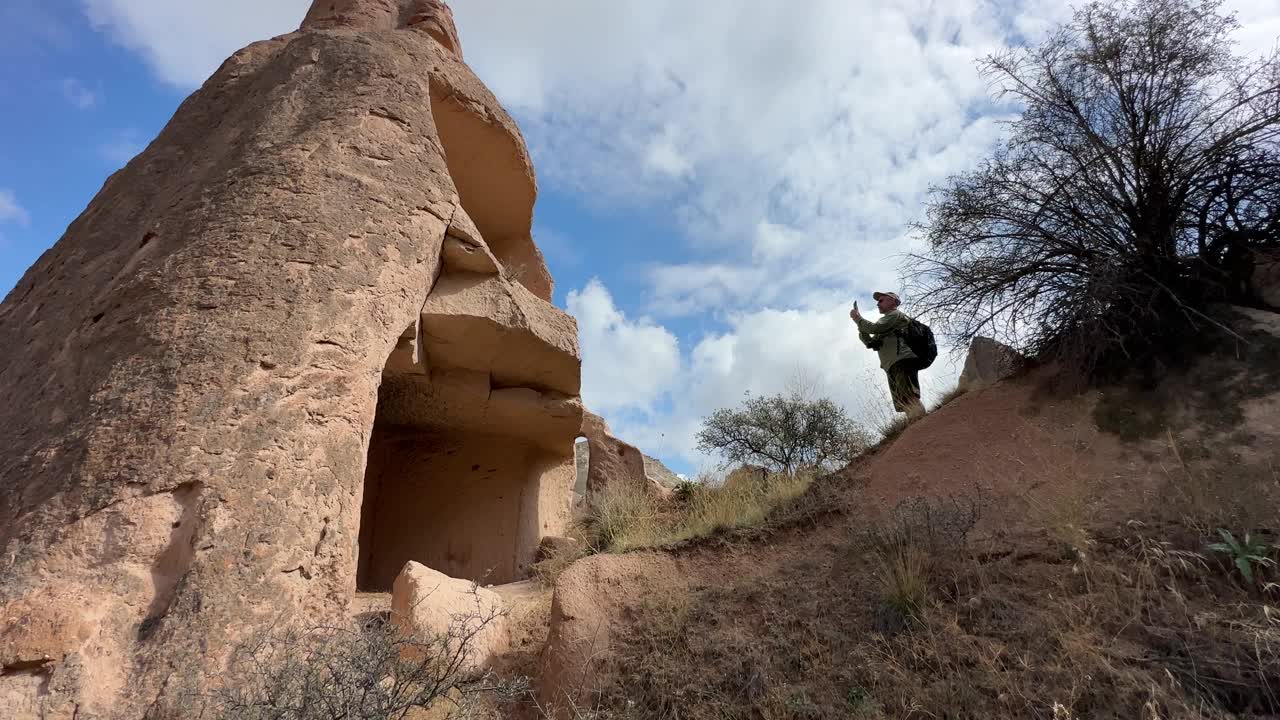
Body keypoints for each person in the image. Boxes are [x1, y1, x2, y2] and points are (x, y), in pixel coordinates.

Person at [850, 291, 926, 419]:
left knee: (909, 396)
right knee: (904, 401)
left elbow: (874, 328)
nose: (878, 304)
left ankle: (924, 426)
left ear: (892, 301)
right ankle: (916, 426)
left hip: (902, 360)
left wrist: (858, 319)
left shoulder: (895, 315)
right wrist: (859, 324)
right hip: (892, 364)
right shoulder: (887, 323)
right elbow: (870, 342)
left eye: (881, 300)